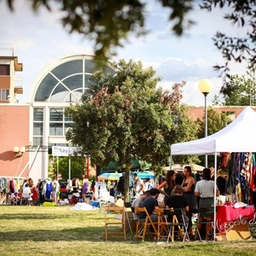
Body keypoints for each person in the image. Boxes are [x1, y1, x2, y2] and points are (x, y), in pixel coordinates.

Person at [194, 168, 219, 240]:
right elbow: (217, 193)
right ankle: (207, 237)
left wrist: (202, 194)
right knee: (209, 220)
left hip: (202, 201)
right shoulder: (213, 183)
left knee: (200, 219)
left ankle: (197, 236)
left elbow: (196, 193)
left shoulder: (199, 183)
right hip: (210, 201)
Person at [181, 165, 196, 238]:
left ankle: (190, 231)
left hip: (189, 197)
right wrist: (184, 188)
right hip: (184, 197)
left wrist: (184, 188)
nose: (185, 173)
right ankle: (188, 231)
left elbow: (187, 189)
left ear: (189, 172)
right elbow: (181, 188)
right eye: (184, 171)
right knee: (185, 214)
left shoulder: (191, 179)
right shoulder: (184, 179)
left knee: (189, 214)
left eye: (186, 172)